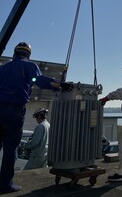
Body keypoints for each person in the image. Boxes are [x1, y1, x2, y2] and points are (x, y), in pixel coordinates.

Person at [0, 42, 73, 194]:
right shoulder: (29, 66)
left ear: (14, 53)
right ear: (28, 54)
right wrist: (60, 85)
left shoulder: (3, 68)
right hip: (14, 111)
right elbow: (39, 81)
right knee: (10, 148)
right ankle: (5, 184)